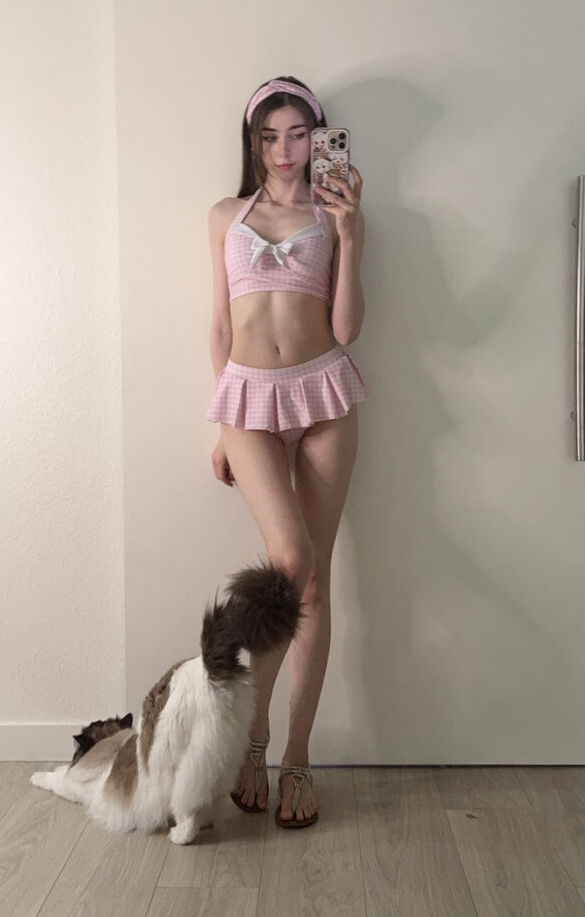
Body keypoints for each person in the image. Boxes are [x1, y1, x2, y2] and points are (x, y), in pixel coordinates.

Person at [207, 76, 370, 829]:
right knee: (290, 560)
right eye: (269, 136)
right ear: (253, 142)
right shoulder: (226, 216)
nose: (283, 150)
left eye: (298, 134)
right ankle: (254, 737)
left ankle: (296, 758)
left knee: (314, 583)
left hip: (324, 393)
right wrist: (221, 425)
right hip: (249, 400)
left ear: (318, 137)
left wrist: (351, 236)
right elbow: (220, 326)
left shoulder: (336, 215)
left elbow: (346, 330)